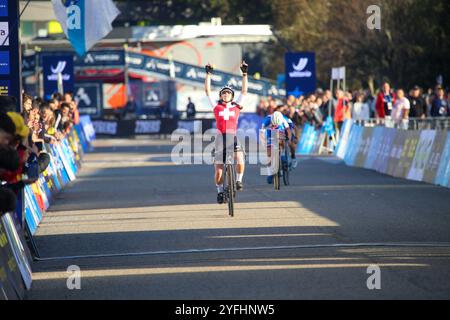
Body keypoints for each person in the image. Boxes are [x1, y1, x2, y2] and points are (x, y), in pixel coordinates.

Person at [205, 60, 248, 204]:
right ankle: (219, 191)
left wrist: (244, 74)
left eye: (228, 93)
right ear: (221, 96)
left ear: (232, 96)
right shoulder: (216, 107)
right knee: (218, 171)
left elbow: (244, 91)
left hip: (233, 137)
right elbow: (208, 92)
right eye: (223, 93)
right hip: (220, 139)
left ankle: (238, 181)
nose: (226, 95)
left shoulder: (237, 106)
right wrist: (208, 74)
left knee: (240, 159)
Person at [261, 111, 292, 184]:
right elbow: (261, 133)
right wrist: (264, 142)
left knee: (282, 141)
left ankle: (284, 158)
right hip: (270, 134)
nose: (275, 125)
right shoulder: (267, 120)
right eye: (274, 124)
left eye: (277, 124)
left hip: (280, 132)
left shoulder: (284, 120)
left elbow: (288, 131)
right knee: (269, 154)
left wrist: (288, 139)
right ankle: (271, 173)